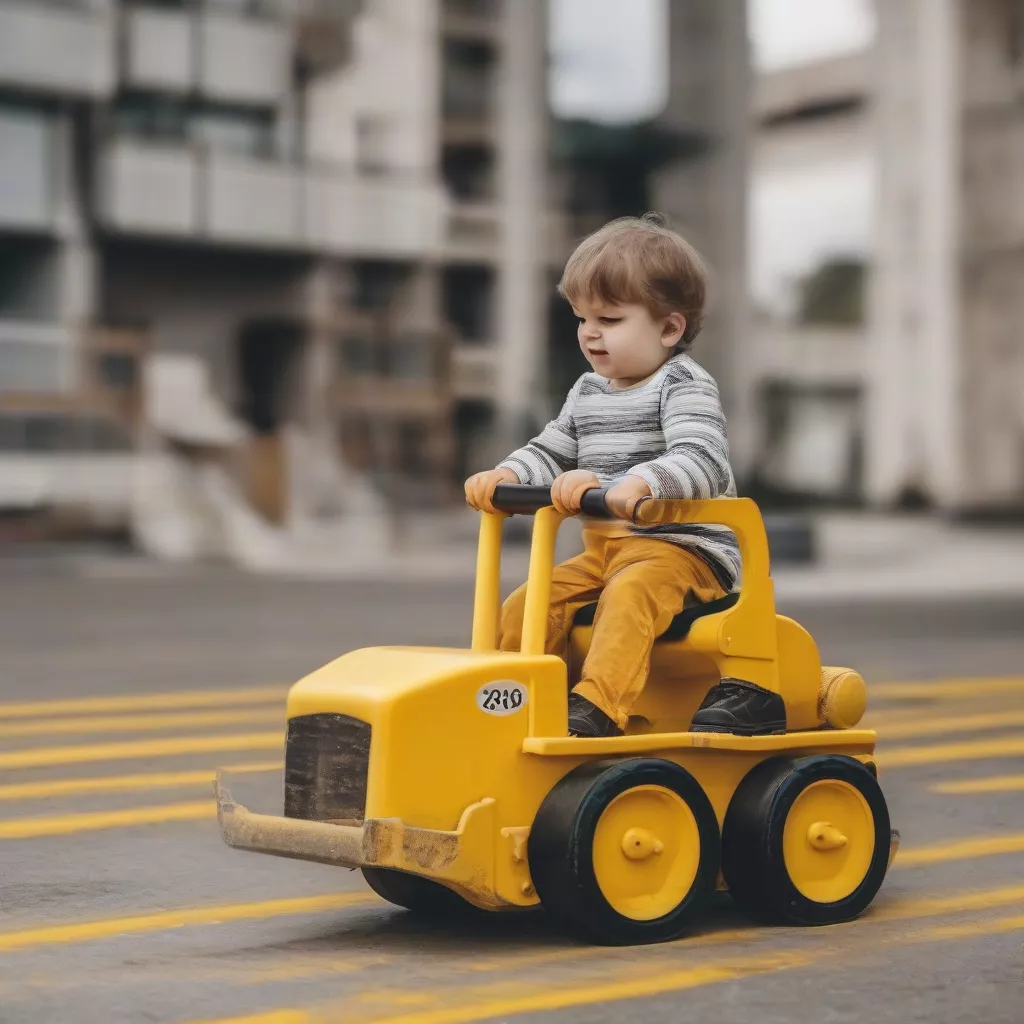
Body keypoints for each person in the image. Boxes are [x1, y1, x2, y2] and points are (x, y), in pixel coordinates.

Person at [465, 213, 786, 738]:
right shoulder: (588, 391)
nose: (590, 333)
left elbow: (704, 457)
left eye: (610, 320)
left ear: (669, 327)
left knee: (630, 594)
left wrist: (641, 482)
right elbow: (553, 448)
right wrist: (506, 474)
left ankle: (596, 710)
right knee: (529, 601)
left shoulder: (682, 383)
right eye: (581, 318)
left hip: (683, 553)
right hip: (607, 551)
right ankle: (518, 701)